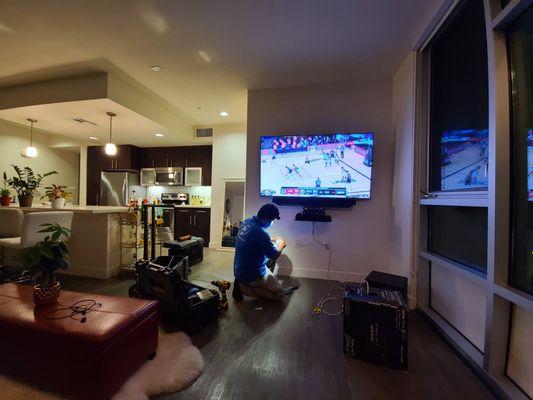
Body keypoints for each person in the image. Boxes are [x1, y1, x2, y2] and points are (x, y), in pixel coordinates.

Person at [232, 204, 297, 301]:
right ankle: (245, 288)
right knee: (279, 294)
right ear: (267, 220)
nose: (272, 223)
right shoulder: (260, 232)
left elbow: (254, 238)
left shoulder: (247, 222)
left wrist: (273, 239)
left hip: (239, 268)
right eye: (273, 220)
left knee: (268, 259)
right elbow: (274, 254)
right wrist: (281, 244)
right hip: (251, 273)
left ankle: (242, 281)